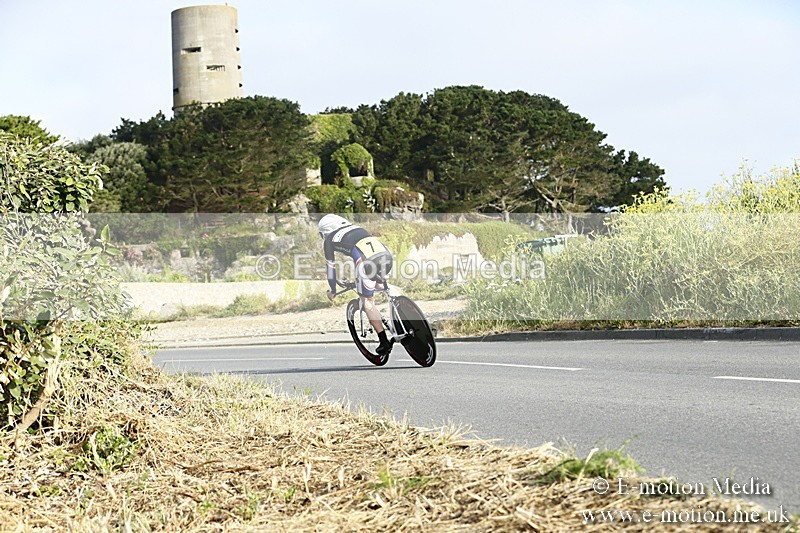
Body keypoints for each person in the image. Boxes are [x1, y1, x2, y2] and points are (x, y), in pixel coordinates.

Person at [318, 214, 394, 356]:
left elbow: (330, 268)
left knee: (367, 301)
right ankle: (400, 306)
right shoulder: (357, 228)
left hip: (367, 262)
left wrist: (333, 289)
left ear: (325, 231)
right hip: (387, 256)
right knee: (377, 285)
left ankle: (384, 341)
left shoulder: (329, 239)